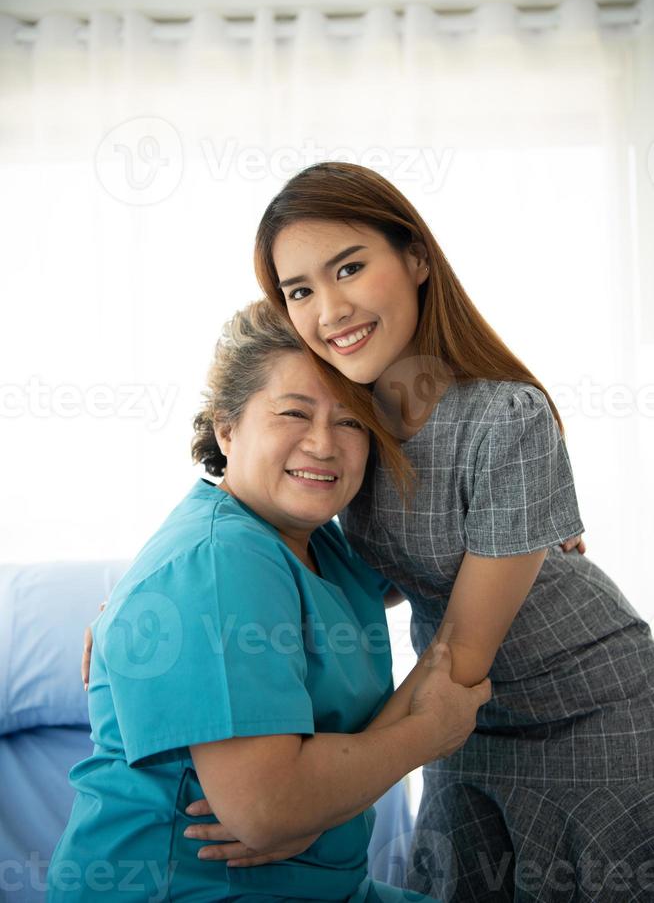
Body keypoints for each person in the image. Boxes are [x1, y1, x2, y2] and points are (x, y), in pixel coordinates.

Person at [252, 161, 654, 902]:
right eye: (300, 290)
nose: (329, 308)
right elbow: (293, 549)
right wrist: (149, 596)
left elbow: (463, 652)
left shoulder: (506, 419)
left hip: (588, 709)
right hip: (461, 722)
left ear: (416, 258)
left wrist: (311, 797)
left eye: (349, 268)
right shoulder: (346, 428)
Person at [50, 298, 491, 903]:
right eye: (294, 412)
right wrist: (430, 731)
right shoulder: (222, 560)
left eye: (351, 421)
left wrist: (517, 515)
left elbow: (432, 557)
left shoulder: (319, 544)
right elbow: (266, 810)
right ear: (226, 427)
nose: (324, 444)